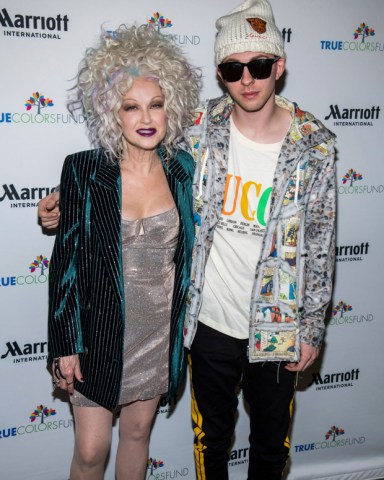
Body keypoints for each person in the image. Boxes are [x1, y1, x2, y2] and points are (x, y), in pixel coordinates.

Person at [39, 1, 336, 479]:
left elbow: (320, 245)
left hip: (248, 330)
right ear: (220, 74)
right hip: (192, 324)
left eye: (259, 65)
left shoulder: (303, 147)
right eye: (233, 67)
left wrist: (312, 327)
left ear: (278, 66)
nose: (248, 78)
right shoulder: (203, 132)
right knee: (186, 444)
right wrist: (60, 200)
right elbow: (81, 235)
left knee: (265, 445)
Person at [47, 24, 199, 480]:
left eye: (156, 104)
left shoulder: (184, 168)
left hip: (156, 334)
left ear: (171, 107)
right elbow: (65, 264)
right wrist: (65, 344)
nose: (145, 117)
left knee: (137, 436)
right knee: (92, 451)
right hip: (98, 334)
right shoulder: (84, 170)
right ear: (111, 112)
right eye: (130, 106)